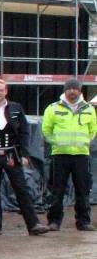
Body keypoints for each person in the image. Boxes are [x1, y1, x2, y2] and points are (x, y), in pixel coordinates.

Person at [0, 80, 49, 237]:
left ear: (6, 91)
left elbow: (24, 132)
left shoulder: (16, 108)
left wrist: (24, 154)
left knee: (21, 189)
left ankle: (33, 224)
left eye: (0, 90)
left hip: (12, 155)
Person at [42, 78, 97, 231]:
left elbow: (93, 130)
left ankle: (83, 221)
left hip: (81, 155)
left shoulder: (89, 109)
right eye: (69, 89)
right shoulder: (53, 108)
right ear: (64, 91)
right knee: (56, 189)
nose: (72, 91)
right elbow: (46, 130)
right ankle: (54, 221)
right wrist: (57, 142)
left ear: (80, 91)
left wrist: (85, 142)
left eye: (75, 89)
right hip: (60, 155)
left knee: (83, 189)